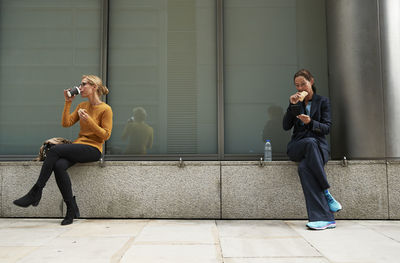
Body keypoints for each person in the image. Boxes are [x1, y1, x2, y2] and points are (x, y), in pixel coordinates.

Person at [13, 75, 113, 225]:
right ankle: (71, 209)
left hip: (93, 149)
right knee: (59, 166)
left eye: (84, 84)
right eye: (81, 84)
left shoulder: (106, 109)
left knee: (53, 151)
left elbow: (105, 135)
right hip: (79, 146)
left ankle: (36, 191)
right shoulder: (82, 106)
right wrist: (68, 103)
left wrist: (90, 122)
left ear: (94, 87)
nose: (80, 87)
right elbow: (66, 123)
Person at [282, 69, 342, 230]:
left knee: (304, 168)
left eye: (303, 84)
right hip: (298, 146)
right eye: (297, 85)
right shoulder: (296, 102)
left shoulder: (323, 102)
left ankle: (324, 219)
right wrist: (291, 106)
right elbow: (286, 126)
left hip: (318, 146)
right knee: (308, 142)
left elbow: (327, 128)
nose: (300, 88)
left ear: (311, 82)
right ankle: (326, 192)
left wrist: (310, 122)